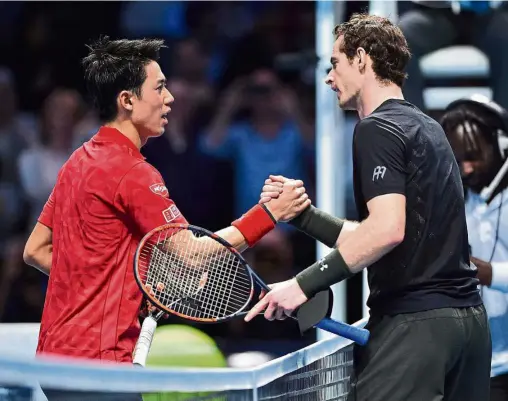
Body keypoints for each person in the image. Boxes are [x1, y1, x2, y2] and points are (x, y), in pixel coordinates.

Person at [22, 36, 310, 401]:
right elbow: (191, 254)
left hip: (53, 361)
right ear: (127, 100)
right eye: (159, 88)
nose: (170, 98)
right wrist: (268, 215)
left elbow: (35, 250)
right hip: (100, 369)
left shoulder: (78, 160)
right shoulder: (134, 172)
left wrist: (119, 288)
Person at [245, 13, 492, 401]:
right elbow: (393, 235)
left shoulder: (375, 128)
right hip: (468, 329)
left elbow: (386, 231)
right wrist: (303, 215)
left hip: (416, 330)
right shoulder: (430, 127)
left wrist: (301, 284)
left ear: (361, 58)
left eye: (335, 64)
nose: (328, 78)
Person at [441, 94, 508, 401]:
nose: (466, 169)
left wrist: (489, 273)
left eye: (473, 156)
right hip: (481, 368)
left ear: (502, 144)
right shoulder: (455, 201)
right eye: (458, 160)